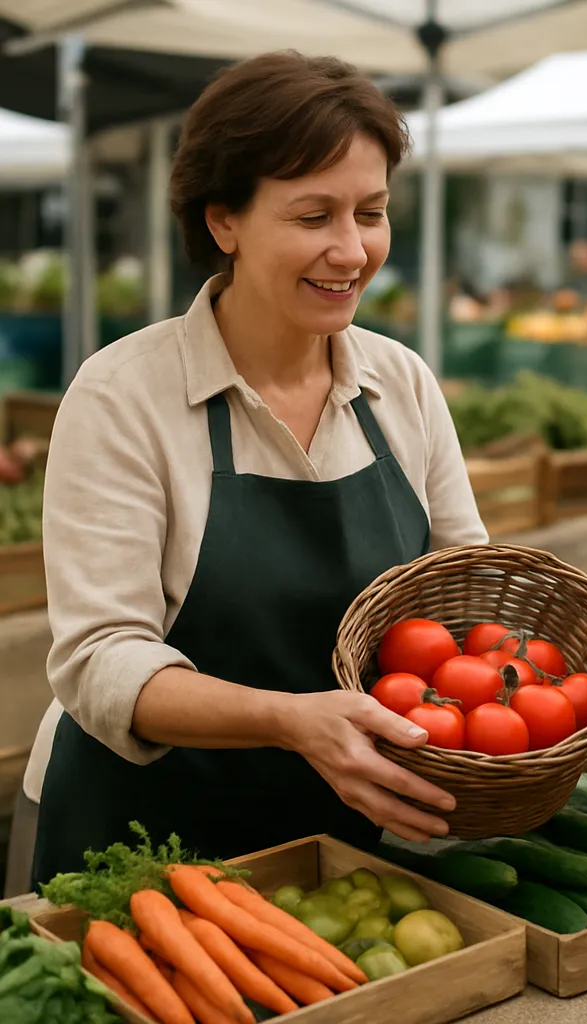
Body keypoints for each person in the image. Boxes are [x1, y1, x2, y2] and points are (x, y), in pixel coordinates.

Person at [13, 51, 489, 894]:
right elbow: (100, 658)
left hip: (340, 830)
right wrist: (290, 721)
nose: (352, 250)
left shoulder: (401, 384)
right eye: (314, 216)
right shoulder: (123, 394)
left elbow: (464, 596)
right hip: (138, 839)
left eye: (371, 213)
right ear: (224, 220)